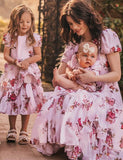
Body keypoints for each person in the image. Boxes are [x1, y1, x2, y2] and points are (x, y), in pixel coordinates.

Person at [31, 0, 123, 159]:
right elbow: (59, 76)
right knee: (57, 97)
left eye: (76, 22)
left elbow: (116, 74)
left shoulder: (106, 37)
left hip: (104, 92)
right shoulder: (74, 42)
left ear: (87, 17)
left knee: (78, 101)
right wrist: (64, 74)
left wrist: (93, 77)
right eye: (70, 24)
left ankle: (79, 147)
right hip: (78, 87)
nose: (74, 27)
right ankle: (64, 141)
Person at [0, 4, 44, 145]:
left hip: (28, 74)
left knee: (26, 99)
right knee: (12, 99)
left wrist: (27, 61)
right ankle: (12, 129)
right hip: (13, 73)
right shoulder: (9, 37)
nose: (24, 24)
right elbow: (6, 55)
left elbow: (38, 56)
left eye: (28, 21)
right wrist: (15, 61)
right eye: (21, 21)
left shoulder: (34, 38)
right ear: (15, 21)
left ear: (31, 22)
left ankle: (24, 130)